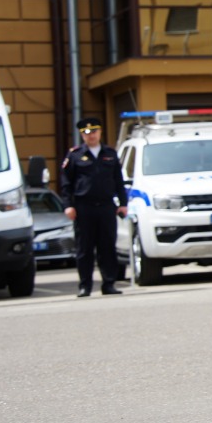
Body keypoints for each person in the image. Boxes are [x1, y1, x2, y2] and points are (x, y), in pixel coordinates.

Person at [60, 117, 127, 297]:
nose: (91, 136)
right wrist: (68, 206)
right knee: (84, 249)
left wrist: (123, 204)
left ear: (100, 132)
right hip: (84, 208)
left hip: (106, 206)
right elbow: (66, 183)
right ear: (82, 135)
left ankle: (109, 283)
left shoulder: (110, 154)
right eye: (87, 133)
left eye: (94, 132)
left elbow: (118, 181)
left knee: (107, 247)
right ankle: (85, 286)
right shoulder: (74, 155)